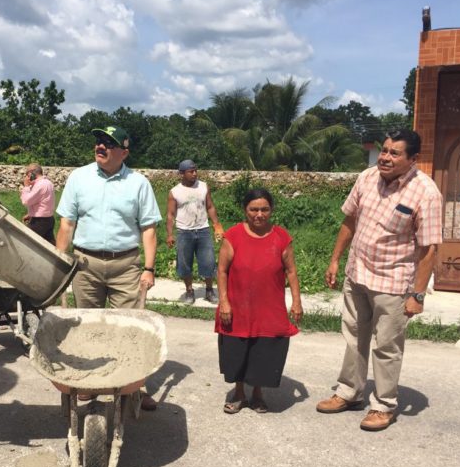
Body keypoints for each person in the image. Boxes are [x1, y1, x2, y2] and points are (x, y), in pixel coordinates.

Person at [317, 129, 442, 432]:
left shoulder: (425, 192)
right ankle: (349, 391)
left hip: (394, 282)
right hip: (357, 273)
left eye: (394, 153)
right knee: (352, 337)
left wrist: (418, 294)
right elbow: (349, 220)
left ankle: (383, 405)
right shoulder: (366, 177)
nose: (385, 157)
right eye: (384, 150)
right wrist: (335, 259)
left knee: (387, 345)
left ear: (413, 159)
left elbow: (429, 249)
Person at [55, 125, 161, 410]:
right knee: (86, 324)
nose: (100, 146)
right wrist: (58, 261)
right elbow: (66, 223)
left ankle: (133, 384)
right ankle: (89, 383)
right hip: (85, 263)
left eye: (109, 143)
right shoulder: (79, 178)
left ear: (124, 152)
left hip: (125, 264)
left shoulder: (138, 184)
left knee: (129, 326)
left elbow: (148, 229)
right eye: (99, 141)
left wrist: (148, 268)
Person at [215, 188, 302, 414]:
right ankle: (240, 393)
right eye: (254, 209)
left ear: (271, 210)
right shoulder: (232, 236)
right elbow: (222, 271)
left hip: (269, 308)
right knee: (237, 351)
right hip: (238, 306)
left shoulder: (282, 237)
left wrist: (296, 301)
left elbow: (291, 272)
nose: (259, 214)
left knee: (265, 351)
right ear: (245, 210)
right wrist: (224, 301)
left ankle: (258, 395)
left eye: (264, 209)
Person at [166, 159, 224, 305]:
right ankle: (189, 291)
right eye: (191, 171)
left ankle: (209, 291)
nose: (194, 174)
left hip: (203, 230)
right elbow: (170, 214)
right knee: (185, 264)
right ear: (182, 173)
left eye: (195, 170)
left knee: (208, 261)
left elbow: (210, 207)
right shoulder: (175, 192)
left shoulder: (203, 187)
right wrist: (170, 234)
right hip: (184, 232)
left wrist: (216, 224)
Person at [20, 162, 55, 245]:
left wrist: (26, 187)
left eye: (27, 174)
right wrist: (30, 214)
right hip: (48, 219)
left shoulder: (40, 185)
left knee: (27, 244)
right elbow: (44, 202)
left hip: (39, 222)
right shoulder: (48, 182)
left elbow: (26, 201)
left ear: (31, 173)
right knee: (49, 246)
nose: (26, 177)